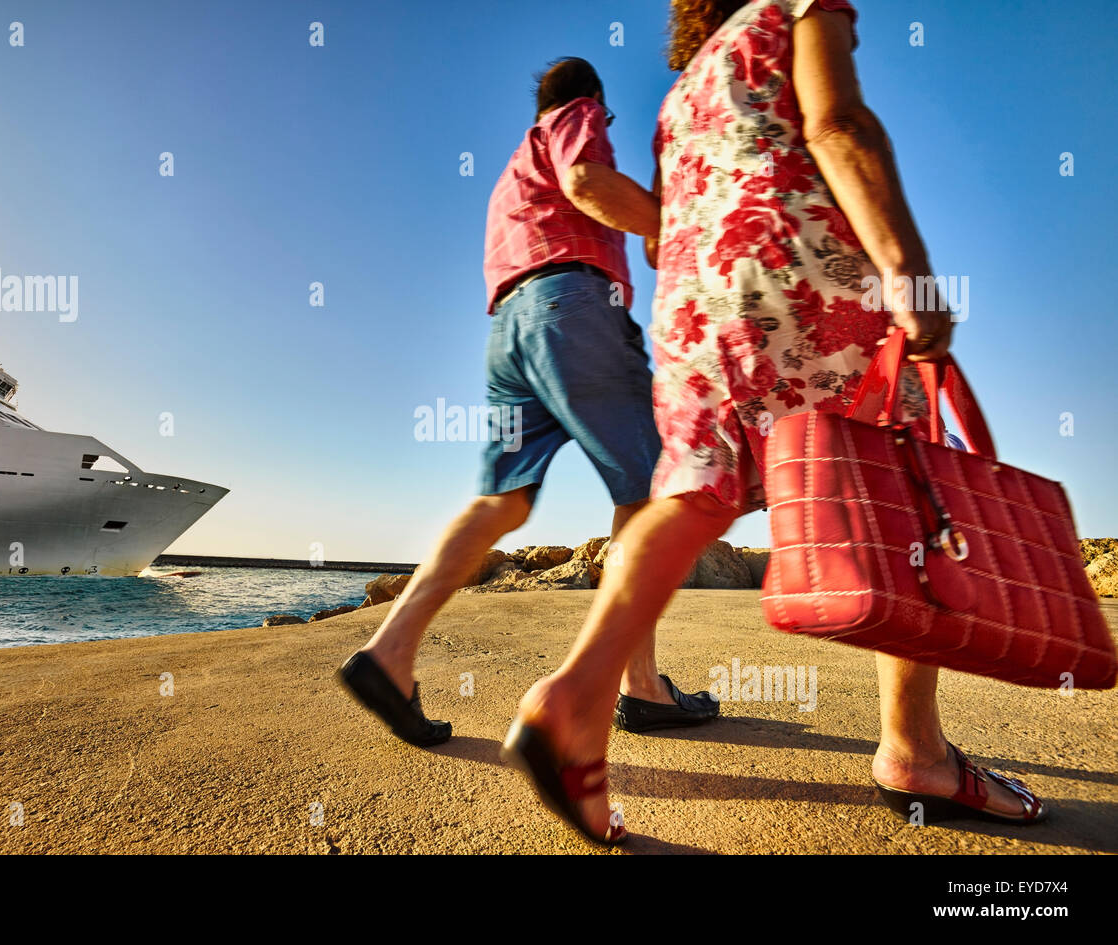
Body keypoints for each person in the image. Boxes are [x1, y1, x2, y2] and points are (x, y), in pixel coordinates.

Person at [501, 0, 1045, 846]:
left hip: (698, 297)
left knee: (694, 494)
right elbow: (837, 125)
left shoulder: (680, 90)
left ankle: (574, 696)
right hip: (802, 268)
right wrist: (908, 268)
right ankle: (916, 752)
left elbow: (663, 225)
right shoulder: (798, 5)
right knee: (900, 480)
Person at [338, 57, 719, 747]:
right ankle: (634, 684)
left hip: (509, 327)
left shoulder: (512, 168)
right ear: (594, 105)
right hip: (574, 307)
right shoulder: (572, 123)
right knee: (652, 487)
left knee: (501, 500)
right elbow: (587, 180)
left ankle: (388, 653)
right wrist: (670, 225)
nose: (602, 127)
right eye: (604, 118)